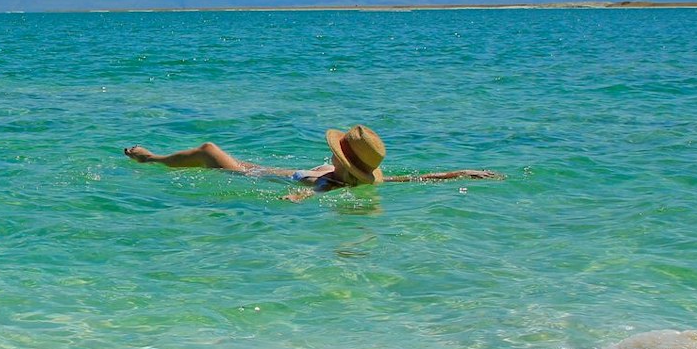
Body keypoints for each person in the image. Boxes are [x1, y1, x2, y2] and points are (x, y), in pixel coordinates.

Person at [124, 124, 501, 200]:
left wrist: (298, 197)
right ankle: (154, 158)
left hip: (251, 176)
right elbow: (409, 180)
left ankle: (151, 159)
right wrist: (456, 174)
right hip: (262, 169)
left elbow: (318, 190)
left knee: (208, 150)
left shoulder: (331, 182)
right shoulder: (359, 180)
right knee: (211, 153)